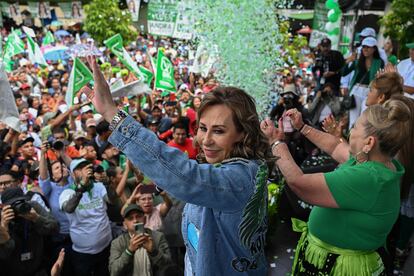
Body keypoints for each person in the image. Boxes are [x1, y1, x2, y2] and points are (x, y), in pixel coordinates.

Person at [80, 55, 273, 275]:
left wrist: (110, 113)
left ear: (242, 133)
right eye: (202, 128)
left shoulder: (239, 178)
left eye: (219, 131)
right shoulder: (234, 169)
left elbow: (187, 178)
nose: (206, 140)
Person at [261, 98, 411, 275]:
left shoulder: (368, 178)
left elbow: (300, 183)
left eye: (354, 127)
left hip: (340, 267)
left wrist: (276, 143)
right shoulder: (377, 163)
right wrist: (302, 126)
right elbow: (335, 147)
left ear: (369, 143)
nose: (350, 131)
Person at [59, 158, 113, 276]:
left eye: (88, 167)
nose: (86, 170)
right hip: (83, 254)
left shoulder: (98, 186)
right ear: (72, 175)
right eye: (80, 168)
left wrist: (108, 183)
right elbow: (69, 208)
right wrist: (81, 187)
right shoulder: (67, 192)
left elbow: (112, 201)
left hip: (106, 247)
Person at [0, 187, 59, 276]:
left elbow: (55, 228)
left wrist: (36, 218)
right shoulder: (2, 217)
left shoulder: (33, 207)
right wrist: (4, 227)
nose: (18, 207)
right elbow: (4, 254)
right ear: (3, 206)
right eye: (13, 205)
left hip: (37, 266)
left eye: (21, 202)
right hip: (11, 270)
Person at [109, 204, 172, 276]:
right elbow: (113, 272)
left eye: (138, 216)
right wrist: (129, 251)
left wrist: (153, 252)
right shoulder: (117, 243)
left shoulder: (158, 237)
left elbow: (169, 266)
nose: (135, 220)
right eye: (130, 218)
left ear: (144, 220)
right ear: (125, 224)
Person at [342, 37, 384, 129]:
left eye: (368, 47)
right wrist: (349, 61)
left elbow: (382, 78)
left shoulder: (379, 62)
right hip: (356, 90)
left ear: (374, 49)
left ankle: (361, 140)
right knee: (353, 119)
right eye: (364, 47)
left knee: (365, 118)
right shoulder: (357, 61)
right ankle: (351, 139)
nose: (365, 49)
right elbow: (344, 73)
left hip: (370, 91)